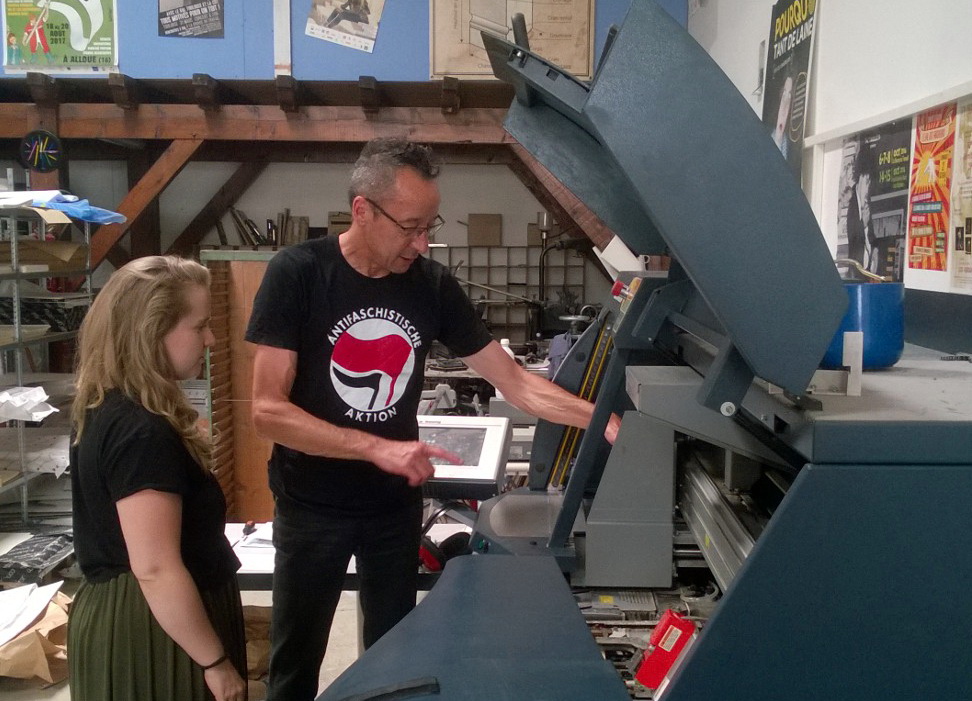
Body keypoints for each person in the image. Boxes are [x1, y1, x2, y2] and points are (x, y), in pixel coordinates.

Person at [246, 137, 621, 700]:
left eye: (430, 227)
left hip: (392, 508)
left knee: (395, 663)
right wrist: (375, 447)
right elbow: (268, 412)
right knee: (295, 665)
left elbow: (514, 381)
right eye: (410, 227)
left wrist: (602, 421)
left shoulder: (430, 285)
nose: (422, 243)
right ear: (362, 210)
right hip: (311, 506)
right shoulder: (298, 273)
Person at [68, 256, 247, 701]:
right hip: (155, 631)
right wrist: (215, 662)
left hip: (155, 619)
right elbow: (155, 568)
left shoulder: (110, 408)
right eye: (199, 326)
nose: (210, 340)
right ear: (151, 332)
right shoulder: (141, 431)